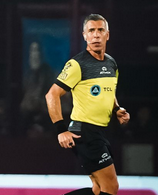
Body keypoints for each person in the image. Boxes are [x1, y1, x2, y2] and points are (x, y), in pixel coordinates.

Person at [45, 14, 130, 195]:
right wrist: (60, 130)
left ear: (108, 35)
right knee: (111, 187)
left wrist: (117, 109)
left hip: (99, 131)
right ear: (84, 35)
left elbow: (110, 91)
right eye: (91, 31)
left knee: (99, 189)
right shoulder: (77, 64)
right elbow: (51, 95)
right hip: (85, 131)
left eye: (100, 30)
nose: (96, 35)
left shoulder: (111, 63)